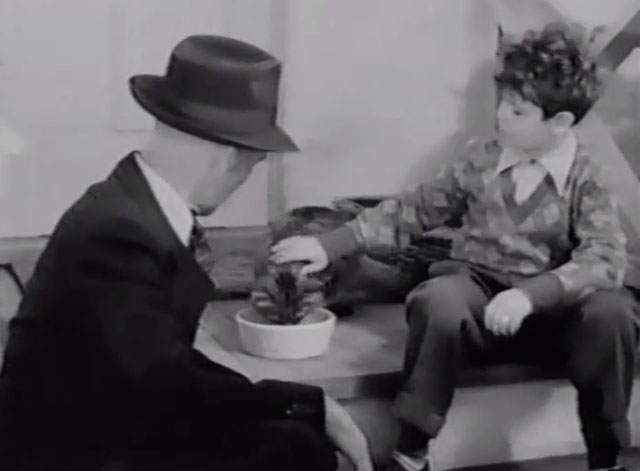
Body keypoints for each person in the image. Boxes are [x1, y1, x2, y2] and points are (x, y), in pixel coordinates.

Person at [270, 23, 639, 471]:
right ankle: (412, 449)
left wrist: (531, 295)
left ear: (560, 122)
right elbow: (415, 210)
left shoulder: (588, 177)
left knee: (613, 313)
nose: (502, 115)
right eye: (503, 102)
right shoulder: (479, 159)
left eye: (519, 111)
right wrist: (331, 245)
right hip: (481, 297)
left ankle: (606, 456)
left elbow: (604, 258)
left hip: (554, 315)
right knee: (438, 299)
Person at [0, 35, 373, 471]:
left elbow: (161, 365)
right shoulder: (118, 231)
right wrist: (306, 403)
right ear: (226, 157)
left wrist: (299, 406)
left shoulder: (130, 205)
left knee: (288, 439)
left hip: (109, 420)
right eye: (251, 167)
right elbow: (162, 380)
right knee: (292, 450)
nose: (243, 181)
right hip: (67, 451)